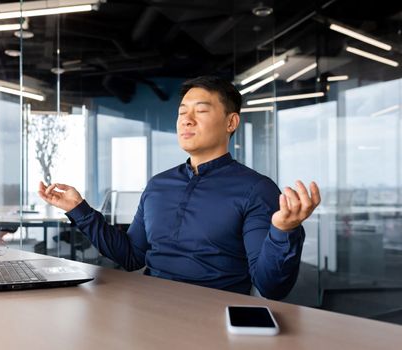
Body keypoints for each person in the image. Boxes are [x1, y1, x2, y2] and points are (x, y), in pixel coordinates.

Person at [38, 76, 321, 300]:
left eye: (201, 111)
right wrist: (80, 210)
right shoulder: (158, 185)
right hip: (149, 308)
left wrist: (284, 231)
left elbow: (271, 287)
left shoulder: (257, 189)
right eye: (182, 112)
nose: (187, 119)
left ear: (231, 122)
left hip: (214, 317)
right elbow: (131, 256)